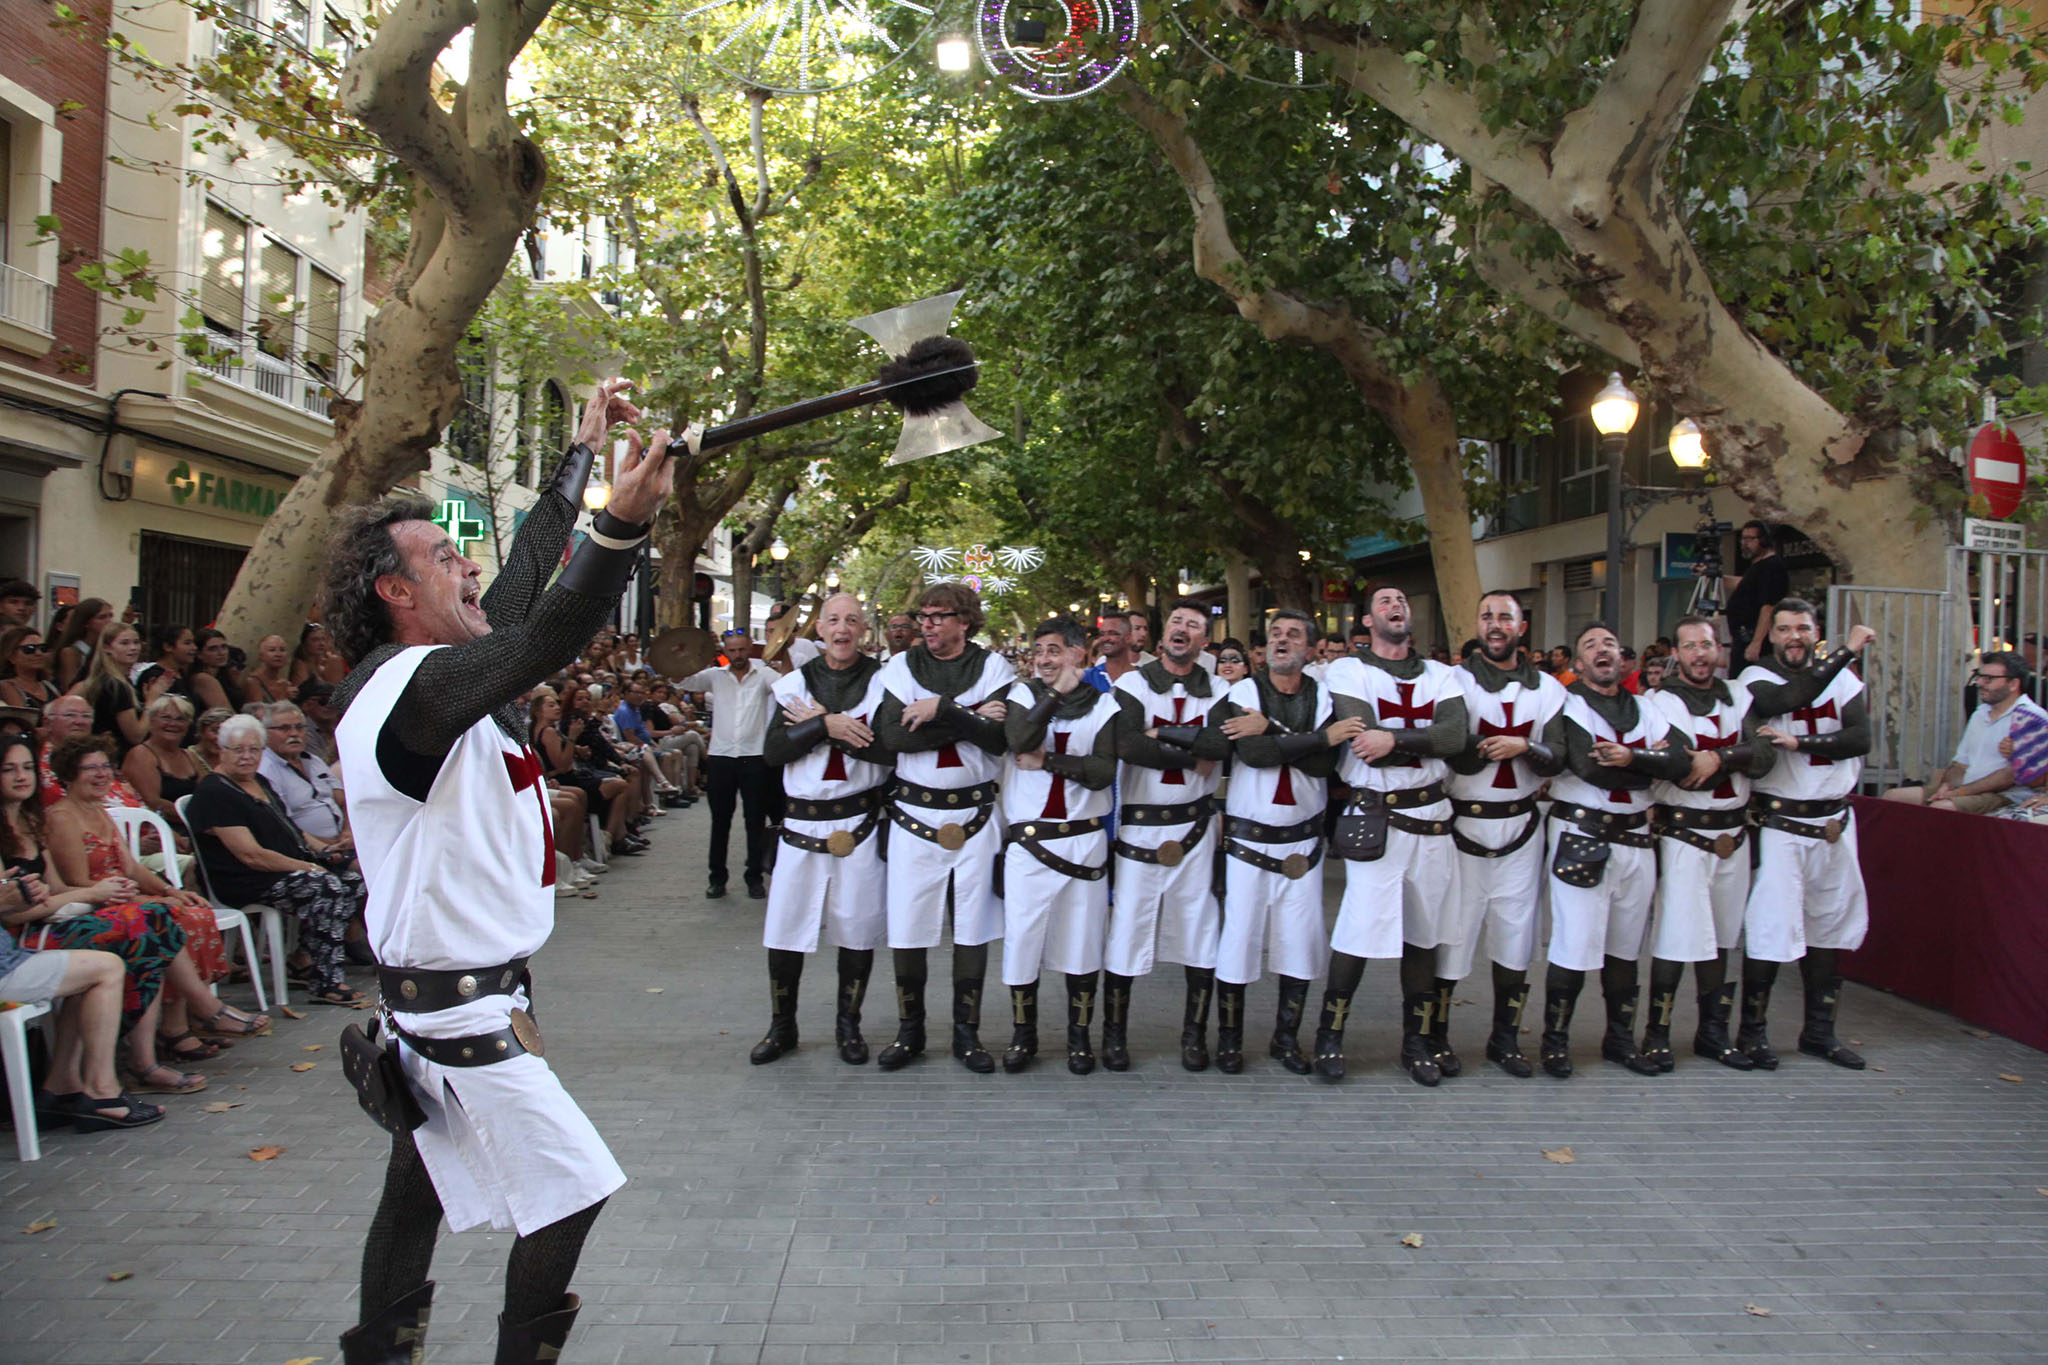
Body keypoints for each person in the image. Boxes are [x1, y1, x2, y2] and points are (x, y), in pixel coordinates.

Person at [324, 377, 671, 1363]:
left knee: (417, 1185)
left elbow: (523, 584)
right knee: (569, 1189)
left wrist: (580, 451)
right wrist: (620, 525)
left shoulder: (456, 680)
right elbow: (554, 628)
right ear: (395, 592)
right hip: (456, 1011)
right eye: (442, 558)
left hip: (451, 1002)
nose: (466, 566)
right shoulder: (404, 691)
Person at [1, 733, 218, 1100]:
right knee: (143, 924)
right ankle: (193, 1017)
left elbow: (55, 889)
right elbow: (24, 908)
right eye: (9, 769)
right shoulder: (57, 817)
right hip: (26, 935)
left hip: (56, 917)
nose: (21, 776)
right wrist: (96, 894)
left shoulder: (29, 822)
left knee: (153, 922)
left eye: (26, 768)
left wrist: (160, 890)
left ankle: (144, 1054)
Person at [1320, 585, 1468, 1085]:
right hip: (1377, 819)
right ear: (1367, 619)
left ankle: (1417, 1041)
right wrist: (1412, 743)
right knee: (1358, 933)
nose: (1396, 606)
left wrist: (1396, 739)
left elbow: (1455, 737)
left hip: (1431, 818)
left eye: (1402, 600)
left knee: (1424, 937)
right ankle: (1330, 1037)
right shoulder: (1348, 670)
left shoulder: (1443, 675)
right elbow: (1361, 738)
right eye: (1384, 601)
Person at [1202, 609, 1361, 1075]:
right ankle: (1229, 1041)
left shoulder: (1327, 697)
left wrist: (1275, 731)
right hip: (1250, 843)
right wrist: (1314, 738)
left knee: (1301, 943)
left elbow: (1322, 767)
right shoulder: (1243, 693)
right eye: (1274, 634)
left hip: (1303, 846)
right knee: (1239, 941)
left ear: (1311, 648)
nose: (1282, 641)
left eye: (1293, 634)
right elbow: (1253, 754)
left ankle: (1285, 1039)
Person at [1536, 623, 1694, 1079]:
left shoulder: (1645, 708)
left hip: (1636, 839)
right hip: (1583, 835)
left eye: (1608, 644)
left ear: (1623, 659)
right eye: (1590, 646)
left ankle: (1620, 1040)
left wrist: (1630, 757)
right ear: (1579, 664)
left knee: (1626, 949)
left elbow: (1682, 762)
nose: (1601, 651)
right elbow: (1589, 767)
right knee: (1575, 944)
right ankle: (1555, 1042)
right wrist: (1651, 760)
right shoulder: (1568, 706)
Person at [873, 583, 1016, 1073]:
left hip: (976, 815)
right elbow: (893, 735)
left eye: (939, 616)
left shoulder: (993, 666)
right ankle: (909, 1030)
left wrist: (939, 709)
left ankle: (966, 1034)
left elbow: (1000, 739)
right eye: (924, 615)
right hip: (915, 815)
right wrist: (970, 716)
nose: (928, 623)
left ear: (965, 620)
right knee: (909, 927)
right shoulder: (900, 667)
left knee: (972, 929)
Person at [753, 593, 894, 1066]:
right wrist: (825, 725)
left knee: (857, 926)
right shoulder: (795, 684)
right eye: (833, 619)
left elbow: (891, 750)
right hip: (801, 823)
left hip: (859, 822)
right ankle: (782, 1025)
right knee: (786, 928)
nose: (842, 628)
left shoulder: (884, 683)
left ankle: (847, 1026)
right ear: (818, 628)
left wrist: (827, 727)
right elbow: (774, 752)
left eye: (852, 620)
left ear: (863, 630)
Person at [1737, 599, 1877, 1070]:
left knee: (1828, 928)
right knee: (1772, 928)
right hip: (1781, 824)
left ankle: (1820, 1032)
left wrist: (1800, 743)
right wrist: (1847, 650)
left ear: (1815, 632)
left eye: (1803, 628)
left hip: (1835, 825)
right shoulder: (1756, 679)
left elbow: (1860, 739)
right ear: (1771, 636)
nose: (1794, 637)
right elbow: (1785, 701)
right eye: (1784, 629)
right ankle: (1752, 1033)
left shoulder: (1845, 679)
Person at [1640, 615, 1776, 1071]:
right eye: (1689, 646)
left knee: (1721, 938)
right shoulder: (1658, 702)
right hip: (1684, 834)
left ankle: (1712, 1034)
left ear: (1719, 649)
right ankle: (1656, 1035)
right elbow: (1676, 764)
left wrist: (1719, 756)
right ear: (1675, 654)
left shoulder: (1740, 696)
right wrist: (1724, 757)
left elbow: (1764, 756)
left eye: (1707, 644)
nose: (1700, 654)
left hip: (1733, 834)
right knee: (1677, 936)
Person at [1441, 591, 1566, 1079]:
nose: (1495, 625)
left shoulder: (1549, 689)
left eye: (1505, 618)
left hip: (1521, 826)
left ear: (1522, 627)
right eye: (1487, 616)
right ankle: (1435, 1036)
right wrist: (1496, 747)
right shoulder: (1455, 681)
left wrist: (1526, 746)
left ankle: (1506, 1039)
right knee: (1453, 935)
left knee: (1516, 937)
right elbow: (1450, 744)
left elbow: (1559, 752)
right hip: (1463, 826)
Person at [1106, 600, 1227, 1070]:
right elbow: (1128, 743)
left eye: (1194, 626)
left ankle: (1193, 1036)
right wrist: (1189, 749)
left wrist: (1162, 734)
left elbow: (1220, 746)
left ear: (1204, 641)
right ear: (1162, 635)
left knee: (1200, 933)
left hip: (1194, 829)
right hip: (1142, 828)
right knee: (1128, 932)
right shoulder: (1133, 683)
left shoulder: (1218, 688)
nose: (1183, 630)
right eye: (1177, 622)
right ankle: (1114, 1037)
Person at [998, 617, 1121, 1074]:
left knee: (1084, 943)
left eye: (1054, 651)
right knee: (1022, 940)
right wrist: (1053, 695)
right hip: (1031, 845)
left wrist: (1049, 761)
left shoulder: (1104, 706)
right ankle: (1022, 1036)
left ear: (1078, 654)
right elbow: (1019, 738)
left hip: (1084, 842)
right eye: (1039, 651)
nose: (1044, 659)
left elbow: (1104, 771)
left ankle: (1079, 1037)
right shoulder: (1023, 696)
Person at [185, 715, 367, 1008]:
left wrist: (323, 851)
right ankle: (326, 983)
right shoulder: (214, 793)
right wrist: (307, 866)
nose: (247, 757)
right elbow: (250, 855)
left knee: (355, 880)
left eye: (254, 750)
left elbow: (290, 829)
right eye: (238, 750)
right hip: (247, 879)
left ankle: (302, 958)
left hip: (284, 867)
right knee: (328, 888)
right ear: (221, 751)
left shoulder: (257, 782)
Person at [677, 629, 781, 899]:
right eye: (732, 650)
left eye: (742, 649)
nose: (737, 655)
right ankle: (717, 878)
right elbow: (683, 680)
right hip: (722, 757)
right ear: (725, 651)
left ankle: (754, 877)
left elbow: (788, 687)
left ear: (750, 649)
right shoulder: (714, 676)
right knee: (720, 820)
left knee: (754, 821)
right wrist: (680, 655)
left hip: (754, 757)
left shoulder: (763, 675)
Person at [1883, 650, 2043, 812]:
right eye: (1979, 676)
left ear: (2013, 684)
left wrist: (1961, 792)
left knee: (1942, 807)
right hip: (1966, 788)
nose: (1980, 682)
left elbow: (2010, 776)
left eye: (1989, 679)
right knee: (1892, 797)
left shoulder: (2031, 718)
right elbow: (1960, 764)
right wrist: (1946, 786)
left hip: (2004, 794)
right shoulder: (1980, 713)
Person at [259, 702, 352, 854]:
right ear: (266, 733)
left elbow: (343, 802)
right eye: (284, 728)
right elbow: (284, 824)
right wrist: (330, 845)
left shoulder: (314, 761)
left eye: (299, 727)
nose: (294, 734)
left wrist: (348, 832)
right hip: (310, 850)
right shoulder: (265, 771)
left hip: (344, 842)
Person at [122, 693, 205, 829]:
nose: (173, 724)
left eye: (180, 719)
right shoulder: (141, 754)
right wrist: (198, 817)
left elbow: (206, 795)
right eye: (165, 717)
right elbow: (152, 802)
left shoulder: (191, 756)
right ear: (152, 721)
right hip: (158, 829)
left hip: (196, 826)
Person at [73, 622, 156, 755]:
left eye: (136, 642)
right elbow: (136, 735)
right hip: (113, 757)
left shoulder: (105, 679)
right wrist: (151, 701)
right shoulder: (116, 685)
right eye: (125, 643)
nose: (133, 648)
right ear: (107, 648)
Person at [1724, 520, 1790, 666]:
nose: (1745, 543)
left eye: (1750, 539)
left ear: (1764, 540)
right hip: (1741, 639)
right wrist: (1716, 577)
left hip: (1753, 641)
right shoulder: (1757, 567)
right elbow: (1744, 585)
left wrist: (1756, 643)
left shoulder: (1772, 566)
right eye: (1743, 538)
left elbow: (1769, 607)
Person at [51, 596, 114, 692]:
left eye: (110, 616)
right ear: (86, 623)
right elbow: (70, 688)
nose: (109, 621)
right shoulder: (71, 652)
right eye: (102, 617)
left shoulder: (110, 647)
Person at [0, 625, 57, 713]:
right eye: (29, 649)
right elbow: (23, 719)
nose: (38, 653)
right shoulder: (6, 686)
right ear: (11, 656)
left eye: (43, 648)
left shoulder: (49, 686)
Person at [1081, 613, 1137, 692]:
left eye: (1112, 633)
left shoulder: (1142, 678)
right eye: (1102, 634)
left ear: (1128, 637)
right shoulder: (1087, 678)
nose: (1105, 639)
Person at [244, 633, 298, 707]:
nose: (278, 654)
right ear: (261, 656)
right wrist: (283, 696)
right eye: (272, 650)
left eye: (282, 650)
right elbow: (260, 714)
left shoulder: (284, 683)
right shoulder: (254, 682)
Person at [298, 680, 342, 765]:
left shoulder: (341, 729)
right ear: (305, 705)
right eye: (323, 700)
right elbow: (320, 765)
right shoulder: (303, 731)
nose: (329, 705)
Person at [291, 622, 347, 689]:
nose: (321, 644)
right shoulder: (300, 665)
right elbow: (304, 692)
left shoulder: (321, 665)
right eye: (315, 640)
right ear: (305, 642)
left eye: (323, 639)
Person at [187, 707, 232, 777]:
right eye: (215, 730)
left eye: (226, 733)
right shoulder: (186, 757)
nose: (220, 738)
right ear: (201, 731)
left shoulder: (232, 760)